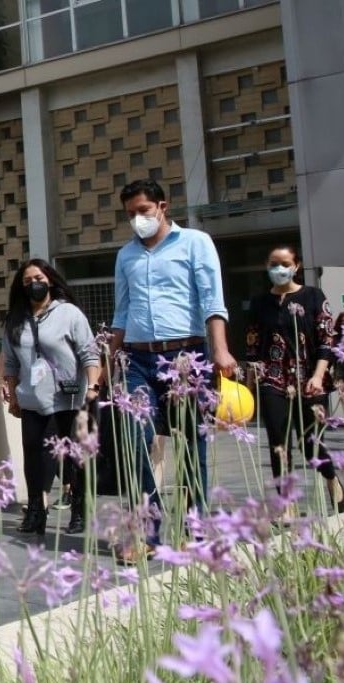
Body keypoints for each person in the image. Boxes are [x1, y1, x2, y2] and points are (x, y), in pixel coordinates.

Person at [108, 179, 237, 564]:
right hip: (136, 359)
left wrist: (220, 350)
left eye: (143, 210)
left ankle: (196, 531)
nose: (137, 219)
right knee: (133, 440)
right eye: (130, 213)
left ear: (162, 206)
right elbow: (121, 311)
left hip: (185, 355)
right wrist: (107, 362)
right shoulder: (125, 256)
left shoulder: (196, 242)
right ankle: (145, 533)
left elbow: (212, 299)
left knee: (191, 444)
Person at [244, 243, 344, 516]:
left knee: (310, 440)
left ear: (296, 266)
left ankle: (331, 478)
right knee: (278, 441)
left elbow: (327, 338)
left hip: (310, 378)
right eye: (274, 264)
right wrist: (251, 385)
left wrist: (318, 374)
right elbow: (252, 343)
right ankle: (286, 502)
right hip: (272, 378)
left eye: (285, 264)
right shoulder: (260, 302)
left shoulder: (312, 296)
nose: (279, 269)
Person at [1, 259, 100, 535]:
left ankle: (79, 511)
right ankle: (36, 512)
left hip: (69, 400)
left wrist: (93, 387)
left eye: (38, 278)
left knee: (75, 458)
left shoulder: (69, 314)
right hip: (32, 400)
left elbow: (89, 353)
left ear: (50, 281)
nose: (33, 284)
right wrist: (13, 396)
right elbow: (10, 363)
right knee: (35, 458)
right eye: (27, 281)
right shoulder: (15, 321)